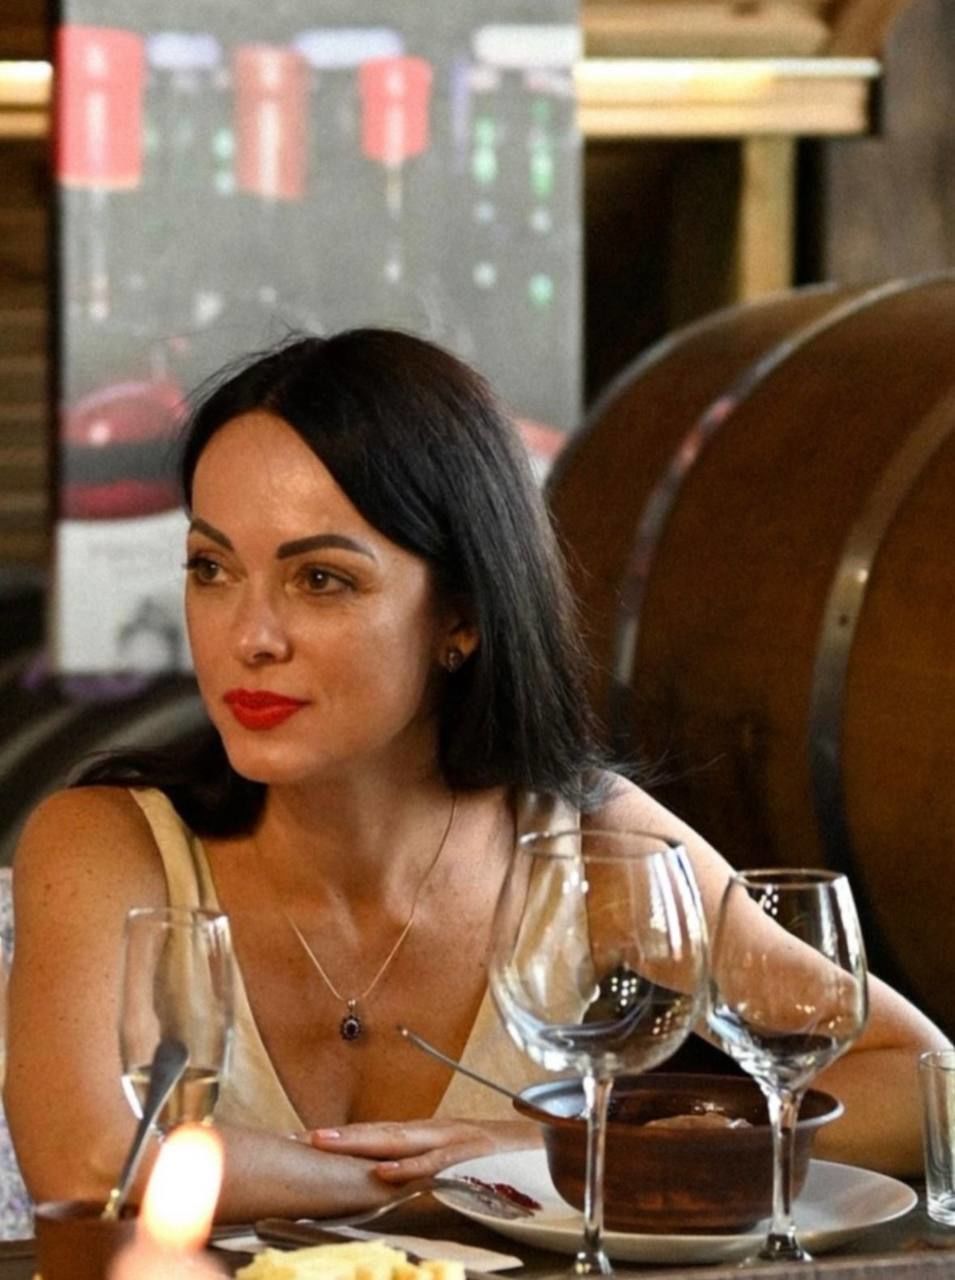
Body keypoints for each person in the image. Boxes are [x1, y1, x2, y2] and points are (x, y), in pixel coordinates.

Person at [5, 329, 947, 1222]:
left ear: (461, 616)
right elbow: (86, 1166)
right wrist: (464, 1179)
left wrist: (565, 1144)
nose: (248, 636)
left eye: (320, 579)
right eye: (211, 568)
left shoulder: (591, 847)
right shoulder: (107, 844)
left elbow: (919, 1083)